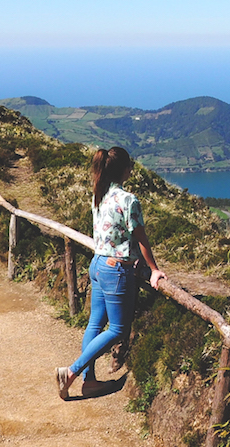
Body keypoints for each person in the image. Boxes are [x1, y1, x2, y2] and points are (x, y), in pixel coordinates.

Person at [58, 147, 165, 399]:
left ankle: (89, 382)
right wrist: (154, 269)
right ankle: (71, 373)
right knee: (118, 329)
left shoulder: (99, 194)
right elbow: (140, 237)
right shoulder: (128, 200)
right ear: (125, 169)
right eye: (130, 165)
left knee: (95, 323)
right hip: (116, 270)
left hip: (98, 264)